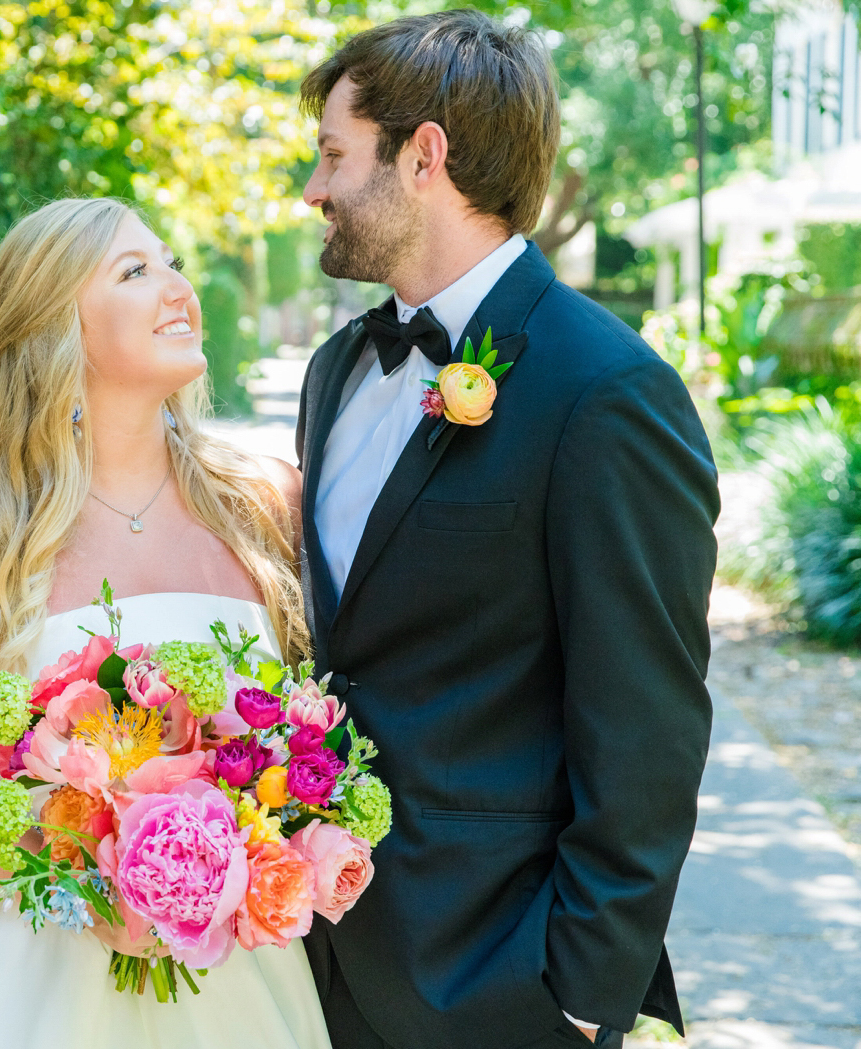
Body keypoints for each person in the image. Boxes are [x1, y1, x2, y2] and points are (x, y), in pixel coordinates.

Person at [292, 10, 719, 1049]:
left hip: (496, 981)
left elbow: (648, 726)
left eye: (335, 155)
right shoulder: (336, 369)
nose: (312, 189)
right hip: (307, 956)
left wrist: (577, 993)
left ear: (424, 155)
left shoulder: (606, 391)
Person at [0, 196, 331, 1049]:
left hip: (239, 978)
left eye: (170, 259)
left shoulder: (262, 506)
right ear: (54, 326)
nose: (179, 287)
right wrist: (84, 876)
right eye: (135, 271)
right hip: (29, 974)